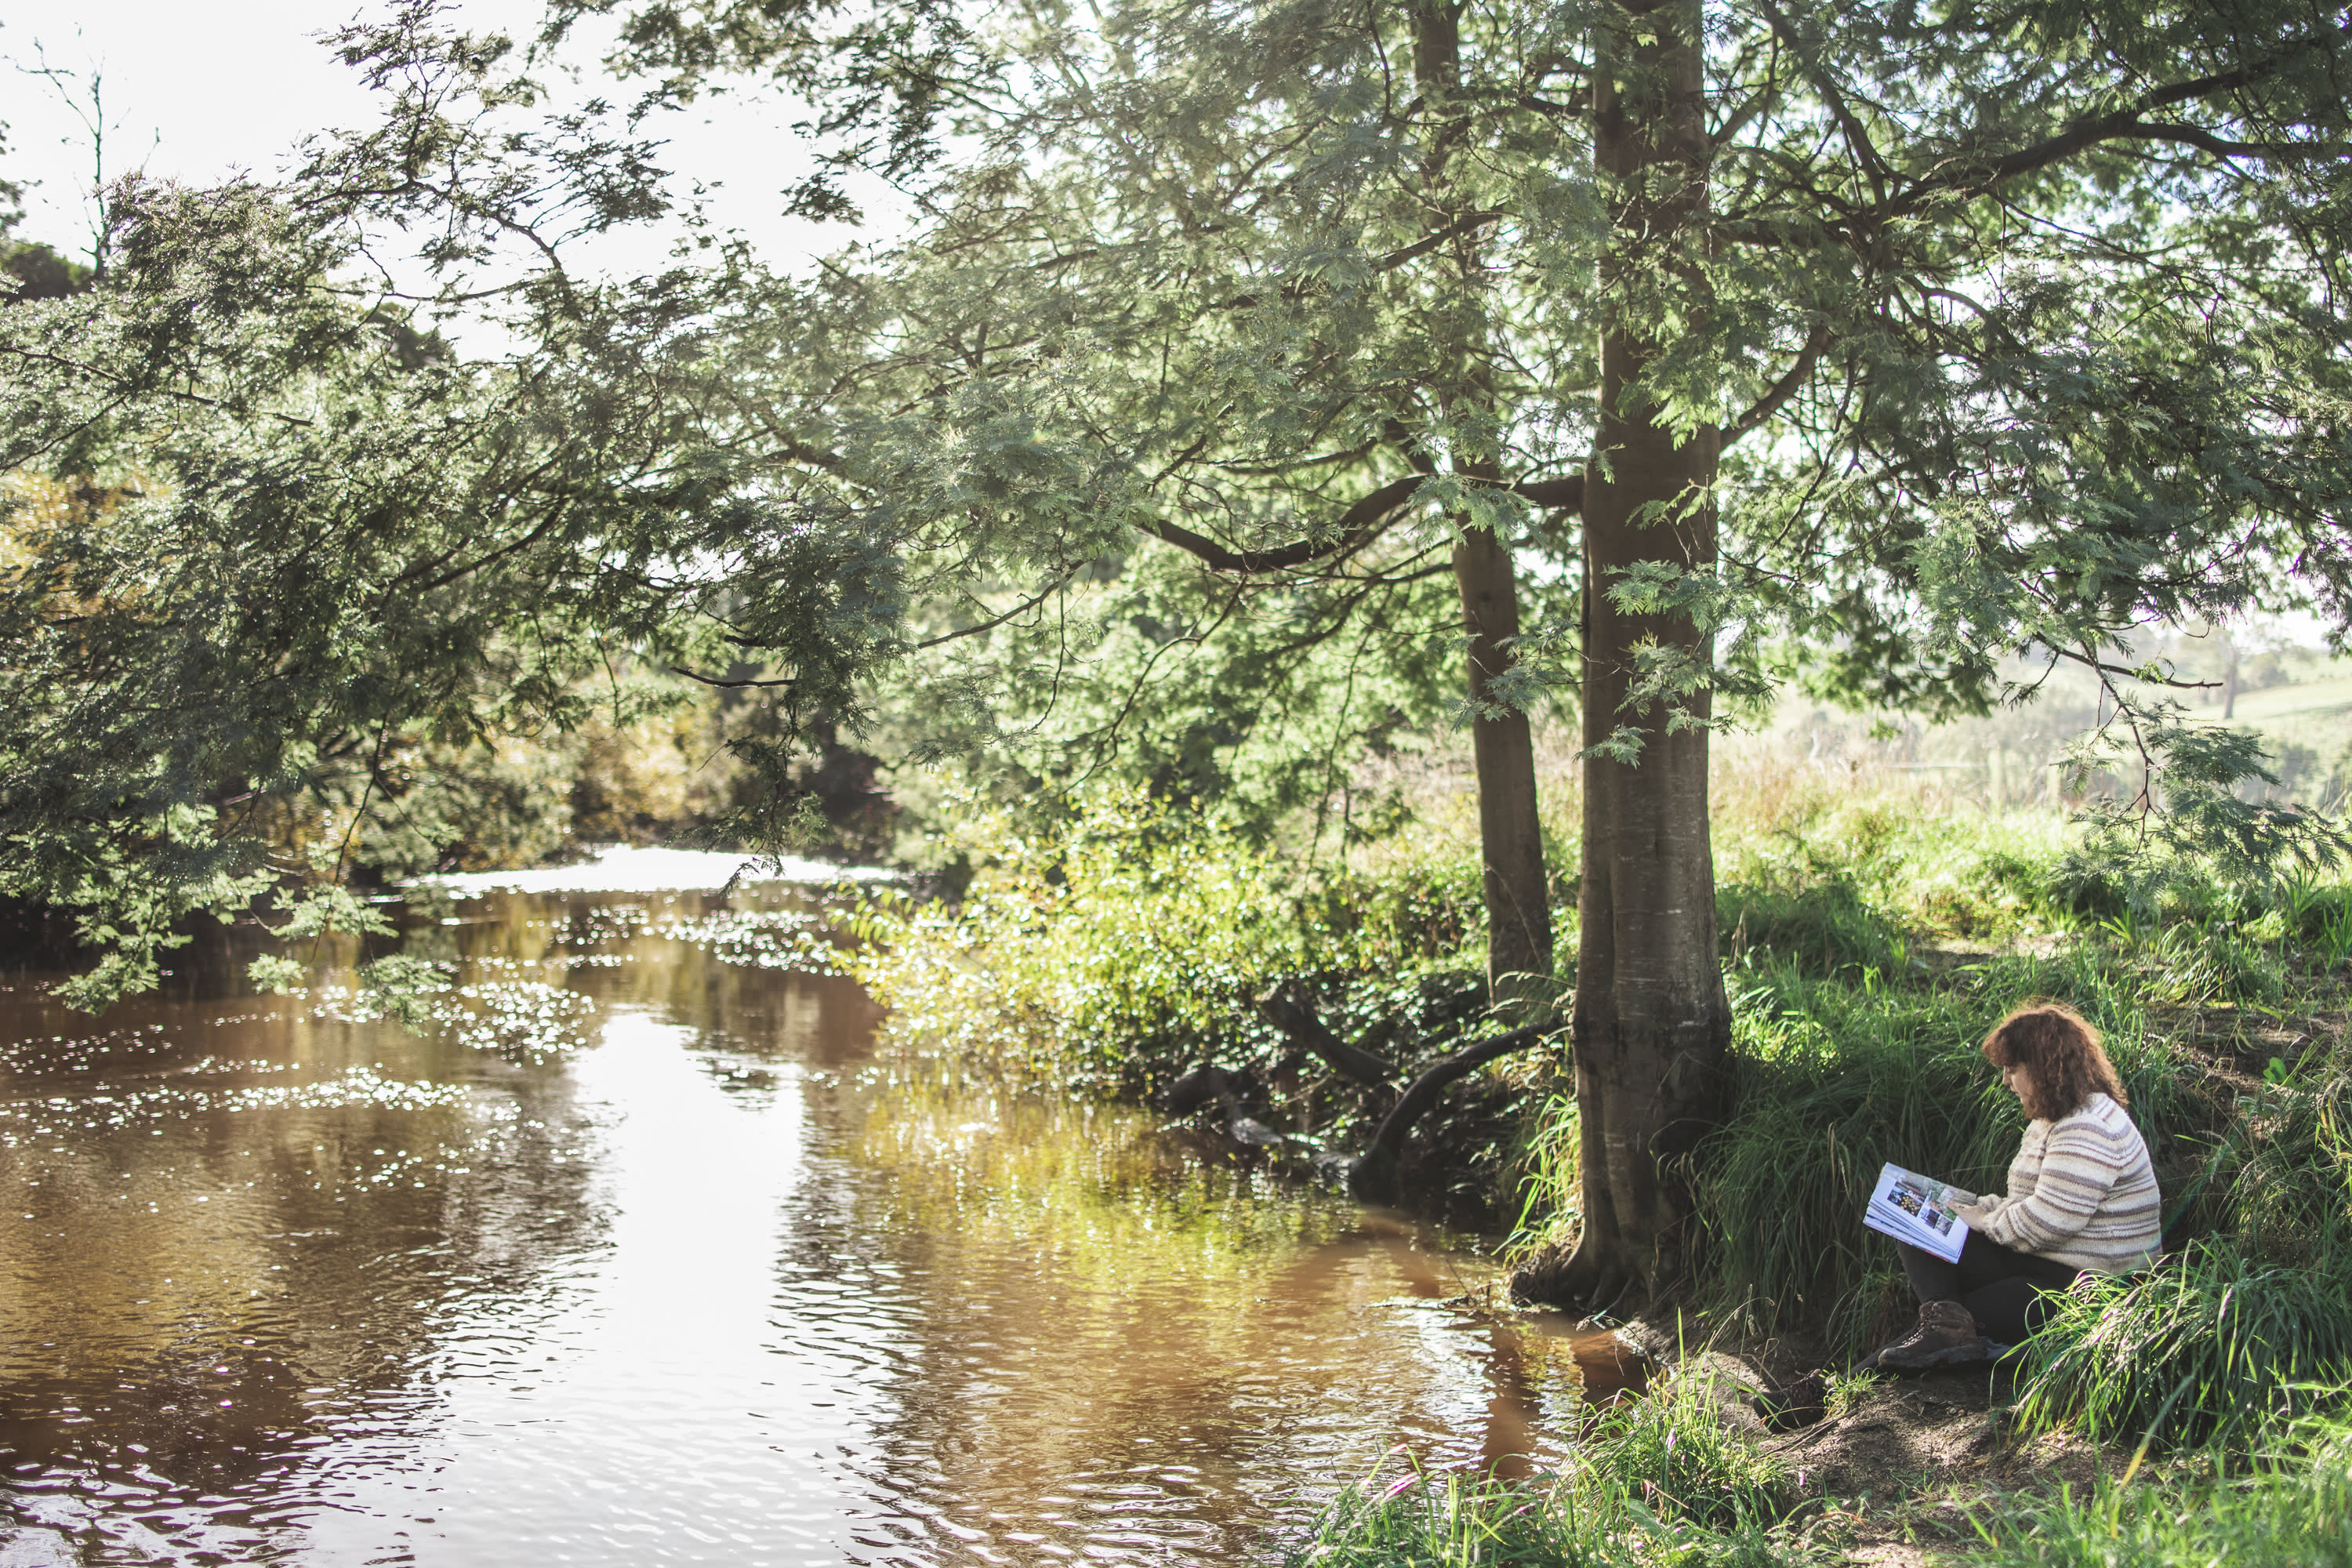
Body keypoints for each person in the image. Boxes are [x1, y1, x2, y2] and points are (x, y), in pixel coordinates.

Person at [1870, 1000, 2163, 1370]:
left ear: (2044, 1069)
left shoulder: (2086, 1129)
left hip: (2086, 1286)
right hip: (2048, 1263)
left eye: (2012, 1069)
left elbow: (2046, 1226)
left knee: (1952, 1319)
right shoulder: (2053, 1118)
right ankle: (1943, 1325)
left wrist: (1984, 1221)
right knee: (1912, 1219)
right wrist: (1977, 1207)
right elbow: (2029, 1202)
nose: (2005, 1080)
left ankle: (1833, 1388)